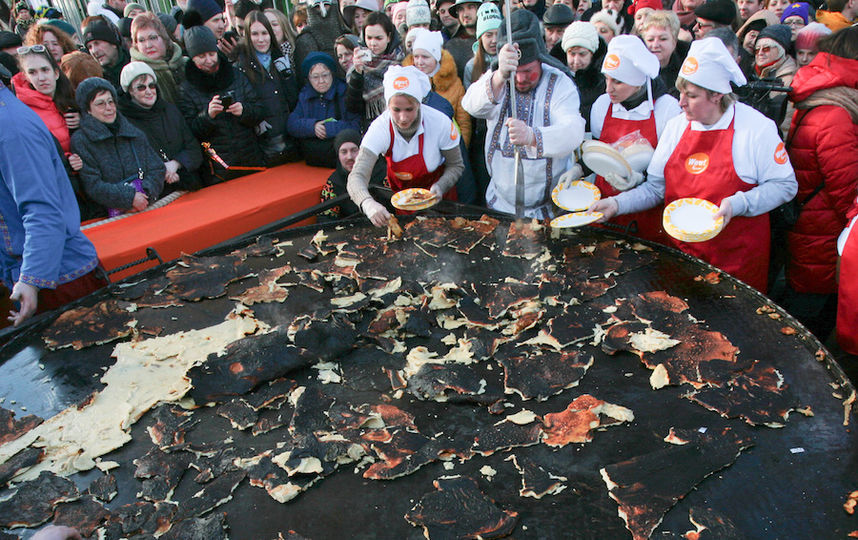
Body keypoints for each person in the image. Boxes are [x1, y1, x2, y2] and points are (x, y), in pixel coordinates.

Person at [590, 38, 797, 292]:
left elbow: (785, 185)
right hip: (680, 256)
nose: (681, 102)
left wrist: (740, 203)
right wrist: (617, 204)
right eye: (681, 93)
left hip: (734, 261)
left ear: (717, 95)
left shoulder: (756, 128)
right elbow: (656, 189)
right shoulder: (678, 126)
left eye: (691, 95)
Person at [0, 63, 106, 325]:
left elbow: (42, 209)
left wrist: (32, 278)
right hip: (37, 274)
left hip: (58, 280)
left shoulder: (10, 128)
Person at [462, 9, 585, 218]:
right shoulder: (496, 79)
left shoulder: (559, 83)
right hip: (501, 203)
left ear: (540, 60)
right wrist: (500, 75)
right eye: (514, 73)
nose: (520, 79)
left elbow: (573, 131)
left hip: (546, 208)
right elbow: (471, 105)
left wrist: (533, 136)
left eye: (528, 71)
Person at [781, 27, 858, 340]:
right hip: (823, 234)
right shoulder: (836, 114)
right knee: (809, 321)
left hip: (812, 225)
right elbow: (847, 191)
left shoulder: (824, 94)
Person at [585, 34, 681, 242]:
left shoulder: (667, 109)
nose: (608, 89)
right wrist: (580, 168)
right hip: (603, 207)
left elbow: (669, 174)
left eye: (618, 82)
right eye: (607, 79)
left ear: (638, 83)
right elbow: (597, 154)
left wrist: (641, 178)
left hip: (646, 213)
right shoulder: (602, 106)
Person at [348, 65, 464, 226]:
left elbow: (456, 165)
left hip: (442, 202)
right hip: (405, 206)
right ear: (388, 106)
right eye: (396, 110)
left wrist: (441, 185)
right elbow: (357, 176)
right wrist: (367, 203)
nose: (403, 117)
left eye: (409, 109)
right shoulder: (380, 128)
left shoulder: (439, 122)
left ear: (419, 104)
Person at [179, 24, 265, 183]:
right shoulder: (187, 89)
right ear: (192, 57)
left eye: (212, 54)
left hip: (250, 158)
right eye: (201, 56)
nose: (209, 60)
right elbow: (189, 131)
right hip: (217, 168)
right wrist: (208, 115)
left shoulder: (236, 75)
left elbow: (259, 110)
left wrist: (243, 110)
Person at [71, 76, 165, 217]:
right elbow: (92, 185)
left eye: (111, 102)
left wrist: (144, 193)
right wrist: (129, 199)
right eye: (100, 104)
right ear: (88, 110)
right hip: (108, 218)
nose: (109, 108)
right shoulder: (81, 141)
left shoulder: (133, 132)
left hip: (147, 207)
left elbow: (157, 168)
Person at [119, 62, 204, 194]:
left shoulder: (170, 110)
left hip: (187, 185)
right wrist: (162, 171)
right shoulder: (123, 122)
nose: (148, 91)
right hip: (155, 193)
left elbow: (193, 148)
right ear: (130, 91)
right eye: (141, 87)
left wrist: (176, 164)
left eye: (151, 86)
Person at [237, 11, 299, 165]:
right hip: (264, 144)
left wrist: (287, 75)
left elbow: (293, 98)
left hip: (290, 138)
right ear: (248, 36)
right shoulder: (241, 66)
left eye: (264, 33)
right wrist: (257, 123)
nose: (261, 39)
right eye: (255, 34)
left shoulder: (280, 59)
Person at [288, 52, 360, 167]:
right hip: (314, 159)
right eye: (315, 77)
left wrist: (329, 128)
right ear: (309, 79)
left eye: (325, 75)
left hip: (343, 161)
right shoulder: (305, 95)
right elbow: (292, 124)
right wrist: (313, 126)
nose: (321, 81)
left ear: (332, 74)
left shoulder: (344, 93)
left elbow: (356, 125)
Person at [403, 29, 470, 147]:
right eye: (416, 56)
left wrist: (458, 152)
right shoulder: (406, 82)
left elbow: (463, 124)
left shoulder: (454, 84)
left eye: (425, 57)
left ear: (436, 58)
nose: (419, 62)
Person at [345, 11, 403, 127]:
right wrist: (357, 73)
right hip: (371, 125)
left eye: (378, 38)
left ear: (389, 37)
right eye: (369, 37)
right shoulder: (359, 62)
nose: (373, 43)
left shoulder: (402, 61)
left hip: (399, 123)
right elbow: (353, 106)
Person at [319, 128, 386, 220]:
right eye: (344, 152)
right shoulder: (333, 183)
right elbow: (325, 218)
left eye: (354, 150)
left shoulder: (383, 173)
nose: (349, 157)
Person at [130, 13, 186, 104]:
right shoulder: (137, 76)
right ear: (136, 45)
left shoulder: (185, 64)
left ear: (164, 38)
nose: (148, 45)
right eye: (141, 40)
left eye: (153, 38)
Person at [560, 21, 606, 131]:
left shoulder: (602, 80)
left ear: (592, 54)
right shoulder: (557, 76)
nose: (576, 60)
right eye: (572, 54)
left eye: (582, 54)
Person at [294, 0, 350, 85]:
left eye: (326, 4)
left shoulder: (346, 34)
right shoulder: (305, 40)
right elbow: (305, 81)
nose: (322, 9)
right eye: (316, 6)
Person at [82, 16, 130, 90]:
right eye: (90, 47)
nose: (94, 51)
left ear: (113, 43)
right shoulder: (95, 81)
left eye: (97, 43)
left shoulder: (136, 64)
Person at [464, 2, 501, 89]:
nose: (494, 40)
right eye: (489, 35)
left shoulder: (510, 60)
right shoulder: (471, 66)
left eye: (498, 34)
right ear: (480, 38)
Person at [736, 9, 779, 78]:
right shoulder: (730, 54)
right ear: (744, 35)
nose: (753, 42)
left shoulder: (771, 69)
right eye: (752, 36)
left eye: (759, 39)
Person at [444, 0, 479, 79]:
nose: (465, 14)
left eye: (471, 7)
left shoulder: (493, 40)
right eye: (461, 9)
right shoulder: (452, 46)